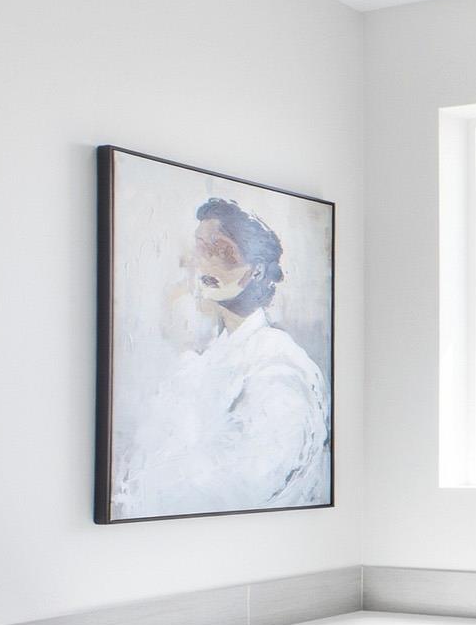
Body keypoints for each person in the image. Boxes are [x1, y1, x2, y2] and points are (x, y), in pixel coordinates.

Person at [114, 196, 329, 516]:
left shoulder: (278, 365)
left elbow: (245, 483)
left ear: (257, 270)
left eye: (222, 251)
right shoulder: (201, 360)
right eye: (201, 249)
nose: (205, 264)